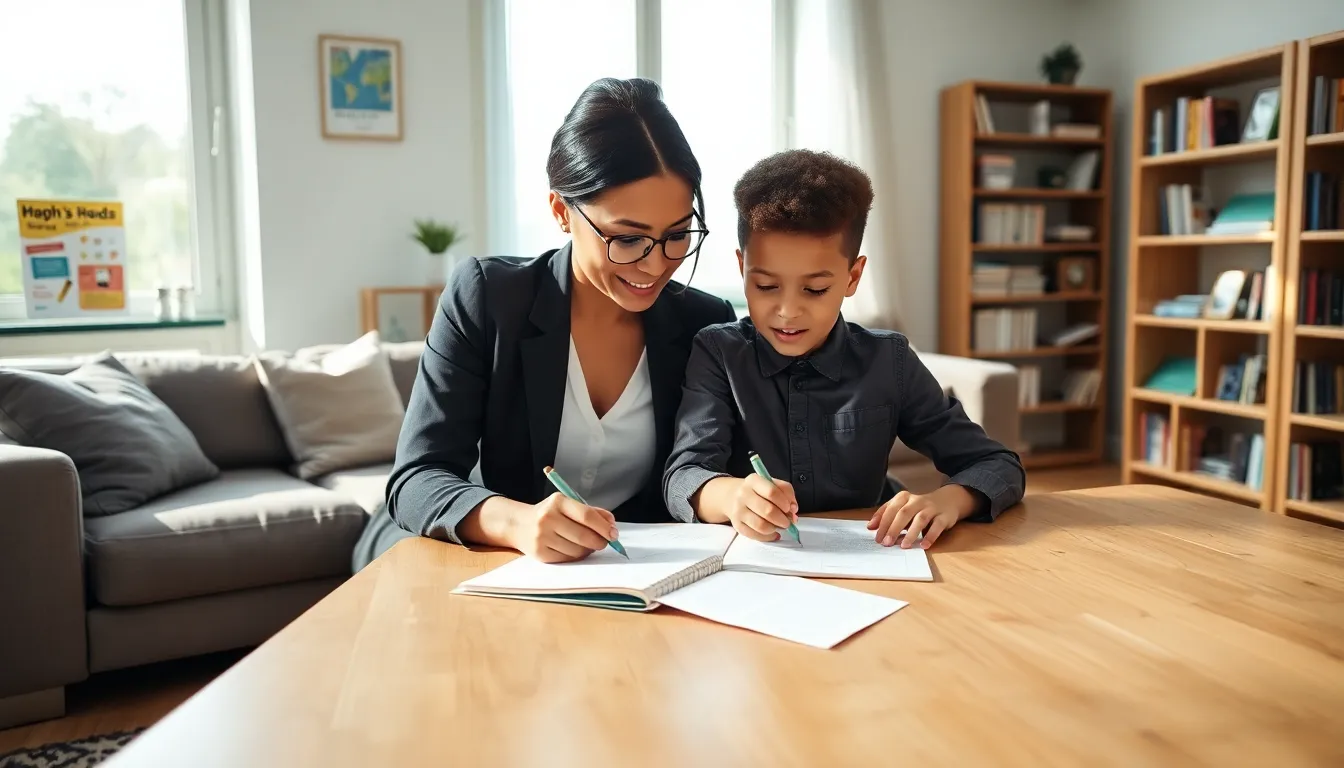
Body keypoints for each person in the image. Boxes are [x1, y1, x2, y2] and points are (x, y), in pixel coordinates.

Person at [352, 78, 735, 570]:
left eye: (678, 235)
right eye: (627, 237)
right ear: (560, 211)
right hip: (478, 556)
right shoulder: (487, 297)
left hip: (628, 575)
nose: (655, 264)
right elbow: (418, 476)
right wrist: (516, 522)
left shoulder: (705, 324)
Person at [662, 149, 1025, 551]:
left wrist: (947, 501)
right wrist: (731, 497)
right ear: (741, 267)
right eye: (765, 286)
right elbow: (684, 474)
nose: (786, 312)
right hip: (759, 564)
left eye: (815, 290)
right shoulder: (719, 352)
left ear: (853, 277)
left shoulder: (890, 360)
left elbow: (998, 464)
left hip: (874, 560)